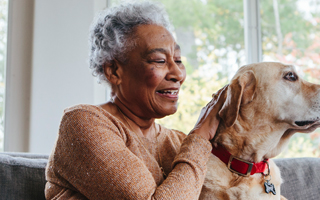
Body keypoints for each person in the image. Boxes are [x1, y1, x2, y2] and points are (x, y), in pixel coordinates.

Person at [44, 1, 227, 200]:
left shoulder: (178, 142)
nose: (178, 74)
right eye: (159, 60)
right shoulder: (83, 123)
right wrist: (201, 134)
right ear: (114, 71)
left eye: (178, 60)